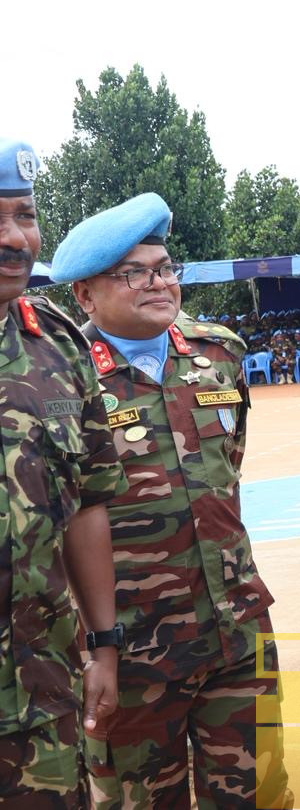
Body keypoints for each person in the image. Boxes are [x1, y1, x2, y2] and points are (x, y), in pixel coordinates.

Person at [52, 193, 292, 808]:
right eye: (133, 273)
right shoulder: (58, 380)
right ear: (85, 295)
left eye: (164, 268)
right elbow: (58, 521)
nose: (158, 283)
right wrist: (94, 646)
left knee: (259, 794)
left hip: (238, 633)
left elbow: (225, 474)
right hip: (129, 652)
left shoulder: (219, 355)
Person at [0, 138, 124, 807]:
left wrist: (103, 643)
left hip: (41, 698)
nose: (15, 239)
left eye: (24, 215)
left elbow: (89, 502)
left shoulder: (61, 345)